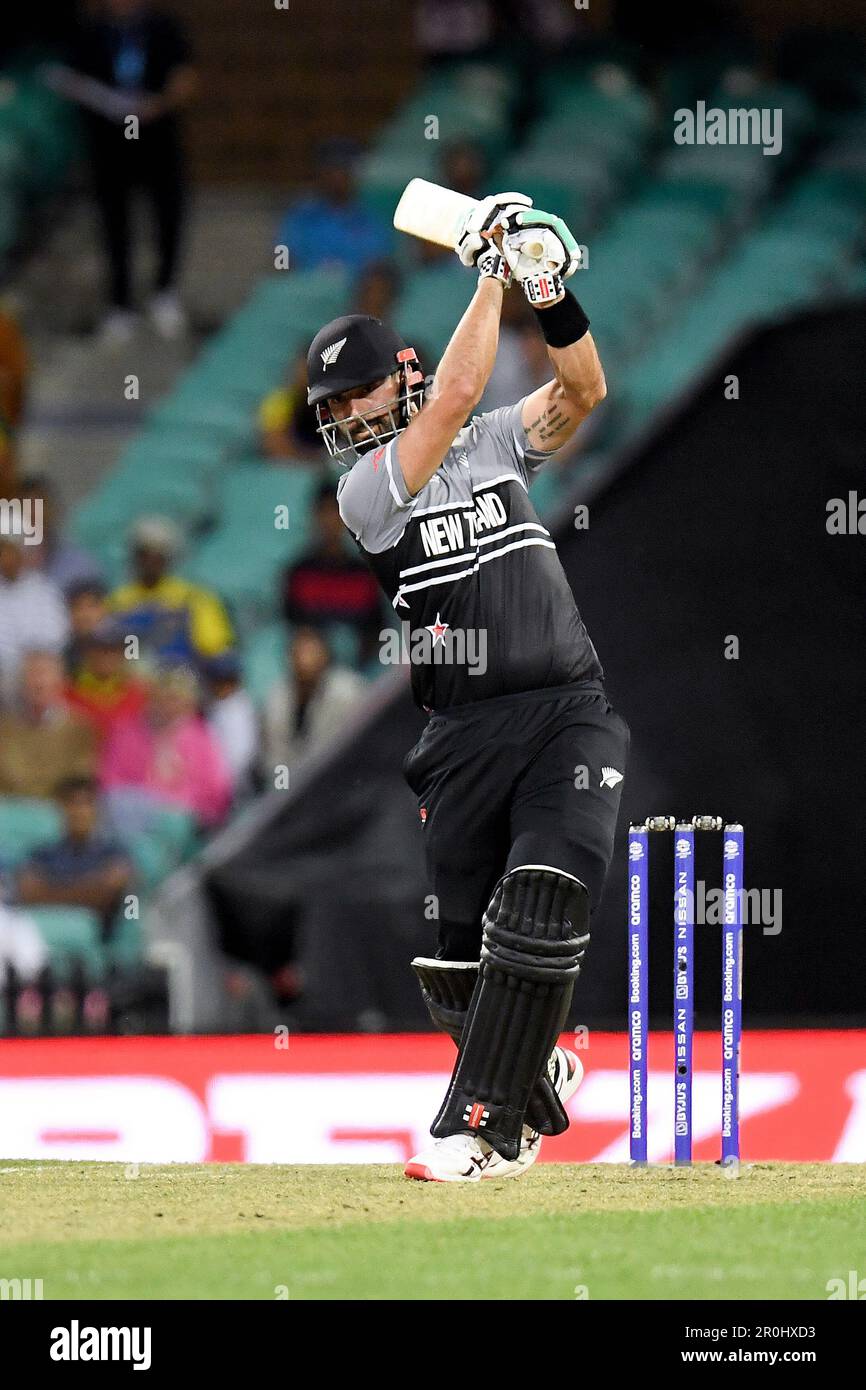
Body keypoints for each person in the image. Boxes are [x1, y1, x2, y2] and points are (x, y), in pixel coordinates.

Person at [304, 192, 627, 1181]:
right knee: (458, 970)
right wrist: (489, 266)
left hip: (565, 710)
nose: (336, 422)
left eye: (346, 399)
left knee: (539, 900)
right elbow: (445, 402)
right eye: (325, 412)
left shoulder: (493, 443)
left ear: (389, 381)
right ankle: (539, 1079)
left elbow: (583, 390)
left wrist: (545, 289)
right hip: (459, 736)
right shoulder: (366, 494)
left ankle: (482, 1133)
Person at [67, 0, 197, 342]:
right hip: (110, 141)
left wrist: (160, 103)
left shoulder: (163, 27)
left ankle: (164, 292)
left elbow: (185, 78)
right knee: (115, 221)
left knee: (168, 214)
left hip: (157, 137)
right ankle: (120, 304)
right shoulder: (92, 31)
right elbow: (75, 79)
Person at [101, 663, 231, 828]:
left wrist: (175, 805)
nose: (168, 706)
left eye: (176, 699)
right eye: (162, 698)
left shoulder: (202, 739)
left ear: (189, 705)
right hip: (134, 817)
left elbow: (216, 792)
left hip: (184, 821)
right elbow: (111, 782)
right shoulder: (126, 732)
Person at [16, 777, 133, 940]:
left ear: (97, 810)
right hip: (43, 932)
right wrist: (89, 893)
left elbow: (110, 891)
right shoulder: (43, 853)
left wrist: (51, 893)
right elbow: (27, 894)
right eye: (71, 803)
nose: (79, 811)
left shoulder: (115, 852)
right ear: (60, 809)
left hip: (98, 937)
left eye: (86, 803)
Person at [280, 479, 382, 663]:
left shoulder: (365, 574)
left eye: (335, 512)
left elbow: (376, 631)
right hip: (310, 666)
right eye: (324, 512)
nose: (330, 520)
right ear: (314, 516)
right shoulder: (299, 572)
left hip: (359, 674)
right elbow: (291, 630)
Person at [109, 516, 234, 663]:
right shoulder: (117, 602)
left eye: (157, 554)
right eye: (144, 554)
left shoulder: (194, 598)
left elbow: (215, 649)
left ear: (168, 557)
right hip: (134, 679)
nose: (150, 562)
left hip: (183, 679)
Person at [274, 138, 392, 277]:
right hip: (307, 291)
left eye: (343, 170)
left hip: (356, 293)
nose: (337, 177)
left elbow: (380, 264)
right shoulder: (299, 218)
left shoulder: (372, 220)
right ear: (320, 174)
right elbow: (282, 260)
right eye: (331, 170)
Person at [260, 627, 365, 780]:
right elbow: (274, 758)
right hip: (294, 787)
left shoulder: (348, 692)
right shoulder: (278, 698)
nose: (304, 660)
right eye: (299, 652)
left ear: (324, 654)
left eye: (310, 652)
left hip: (343, 780)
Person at [0, 651, 96, 798]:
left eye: (44, 674)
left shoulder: (80, 728)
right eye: (32, 675)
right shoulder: (5, 729)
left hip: (60, 809)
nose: (38, 682)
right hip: (12, 808)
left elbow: (80, 776)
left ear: (61, 682)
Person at [0, 535, 69, 705]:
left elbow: (57, 634)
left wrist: (33, 664)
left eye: (10, 551)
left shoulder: (43, 588)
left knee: (44, 677)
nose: (6, 558)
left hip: (45, 665)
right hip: (6, 674)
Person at [65, 618, 148, 742]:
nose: (106, 657)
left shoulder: (139, 696)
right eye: (100, 650)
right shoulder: (68, 696)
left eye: (113, 651)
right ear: (87, 653)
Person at [18, 475, 104, 594]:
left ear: (53, 509)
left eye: (40, 505)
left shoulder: (79, 564)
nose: (33, 514)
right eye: (27, 506)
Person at [202, 652, 258, 800]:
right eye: (217, 680)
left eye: (226, 680)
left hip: (237, 788)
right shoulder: (213, 706)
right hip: (213, 784)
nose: (221, 685)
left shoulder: (241, 709)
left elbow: (241, 757)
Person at [258, 354, 323, 461]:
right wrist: (316, 460)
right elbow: (277, 447)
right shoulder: (278, 402)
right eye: (304, 370)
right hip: (296, 466)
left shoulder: (337, 399)